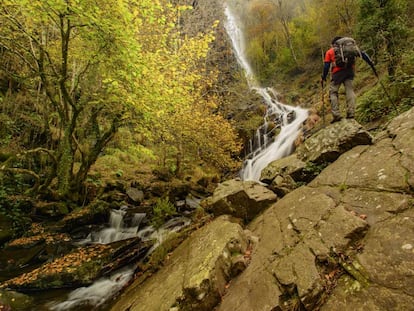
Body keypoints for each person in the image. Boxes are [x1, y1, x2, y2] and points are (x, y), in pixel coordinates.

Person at [321, 36, 376, 123]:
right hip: (349, 71)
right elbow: (363, 54)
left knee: (333, 92)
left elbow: (326, 66)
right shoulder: (349, 48)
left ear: (333, 44)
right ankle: (351, 113)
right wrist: (371, 64)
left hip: (337, 74)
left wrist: (323, 77)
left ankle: (336, 115)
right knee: (350, 91)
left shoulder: (330, 51)